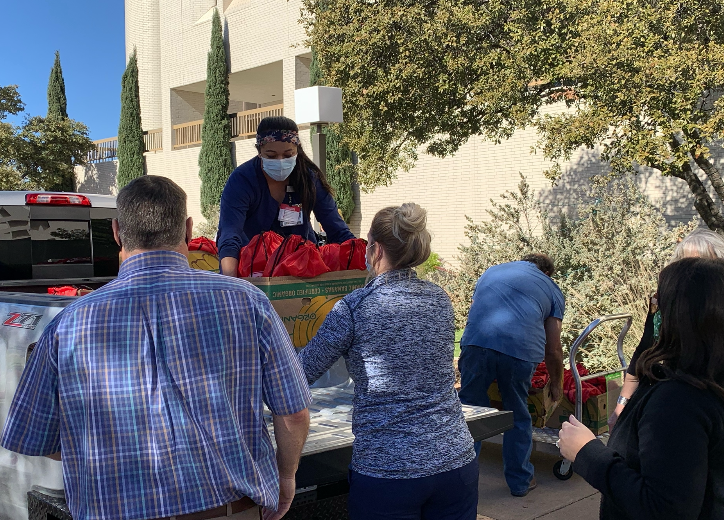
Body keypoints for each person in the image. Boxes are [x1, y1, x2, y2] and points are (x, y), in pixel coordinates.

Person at [1, 176, 311, 520]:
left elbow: (38, 438)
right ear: (189, 229)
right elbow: (293, 413)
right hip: (229, 510)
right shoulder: (248, 301)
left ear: (117, 231)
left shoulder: (68, 324)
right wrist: (286, 477)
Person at [299, 203, 478, 520]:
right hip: (455, 460)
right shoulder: (439, 299)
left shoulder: (355, 307)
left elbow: (301, 372)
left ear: (376, 249)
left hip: (388, 471)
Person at [559, 257, 724, 520]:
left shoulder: (679, 402)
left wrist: (586, 453)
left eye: (658, 302)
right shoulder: (707, 383)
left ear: (680, 315)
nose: (653, 311)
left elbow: (664, 509)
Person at [457, 254, 565, 497]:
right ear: (547, 272)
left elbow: (474, 311)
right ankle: (520, 482)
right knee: (517, 415)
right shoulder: (551, 288)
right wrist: (557, 383)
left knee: (469, 412)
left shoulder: (492, 271)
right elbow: (554, 348)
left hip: (477, 345)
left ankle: (457, 480)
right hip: (519, 354)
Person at [610, 228, 724, 428]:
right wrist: (622, 404)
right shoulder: (663, 304)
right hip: (679, 398)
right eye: (684, 265)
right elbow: (644, 349)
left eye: (701, 266)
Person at [217, 116, 355, 277]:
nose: (280, 161)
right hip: (255, 270)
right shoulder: (242, 180)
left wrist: (361, 259)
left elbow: (338, 230)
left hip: (304, 268)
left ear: (297, 150)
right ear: (259, 150)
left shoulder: (308, 179)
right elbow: (229, 234)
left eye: (288, 155)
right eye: (271, 156)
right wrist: (231, 284)